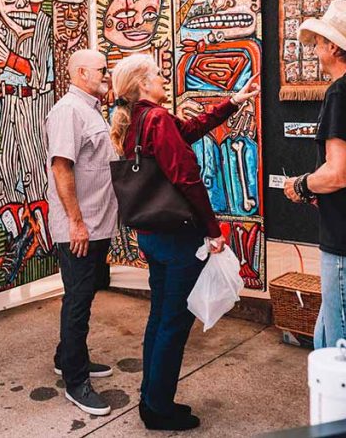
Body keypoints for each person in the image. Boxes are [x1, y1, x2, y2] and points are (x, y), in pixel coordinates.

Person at [108, 53, 258, 431]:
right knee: (174, 322)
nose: (163, 80)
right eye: (158, 75)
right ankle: (158, 407)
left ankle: (150, 396)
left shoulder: (140, 120)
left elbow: (188, 131)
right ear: (143, 84)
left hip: (153, 236)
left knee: (160, 316)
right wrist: (213, 230)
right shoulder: (155, 118)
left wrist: (231, 103)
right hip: (178, 237)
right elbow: (187, 176)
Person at [284, 0, 346, 351]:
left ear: (334, 47)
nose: (316, 50)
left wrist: (301, 185)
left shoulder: (341, 91)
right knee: (331, 339)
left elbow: (338, 173)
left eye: (319, 43)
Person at [44, 49, 118, 416]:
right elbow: (61, 168)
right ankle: (75, 381)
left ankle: (67, 357)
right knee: (78, 300)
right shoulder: (67, 111)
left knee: (82, 295)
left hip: (96, 222)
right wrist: (75, 221)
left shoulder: (89, 109)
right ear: (82, 73)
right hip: (80, 226)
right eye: (102, 69)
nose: (108, 74)